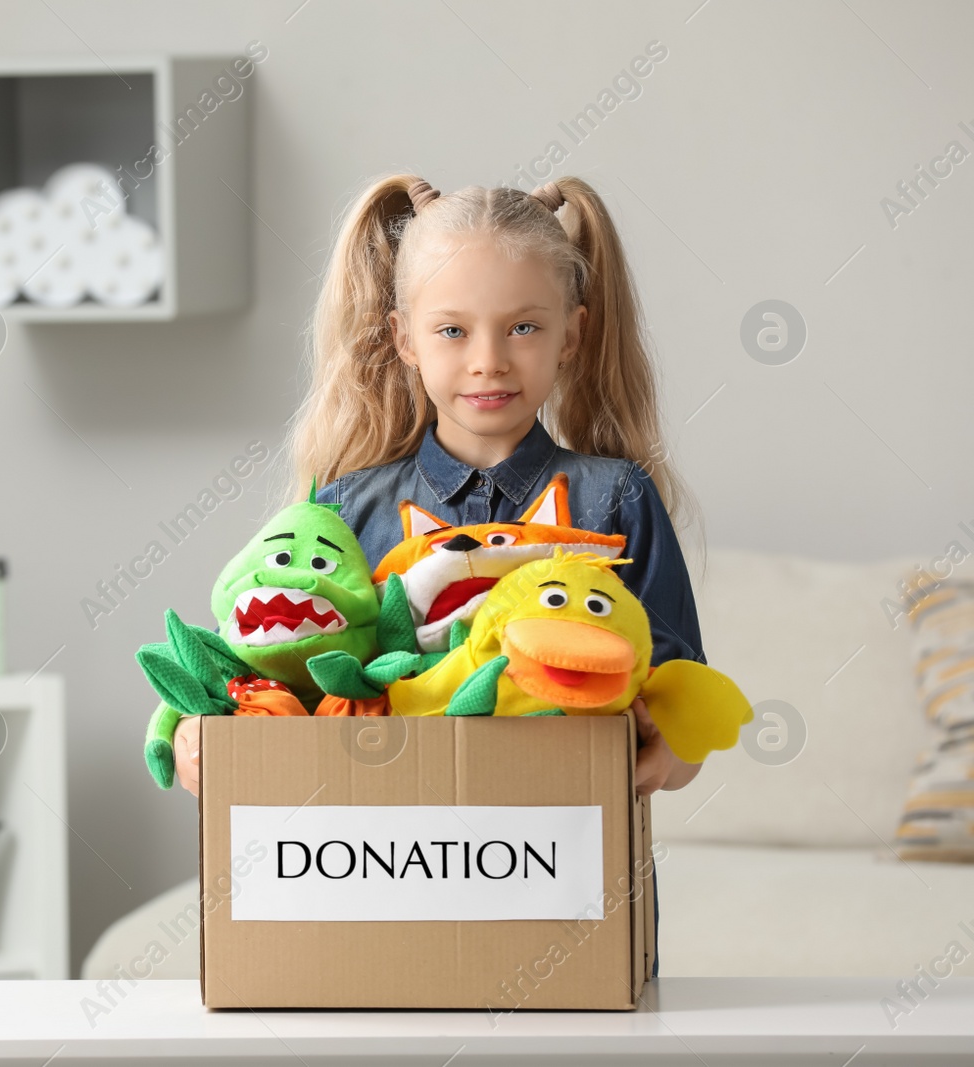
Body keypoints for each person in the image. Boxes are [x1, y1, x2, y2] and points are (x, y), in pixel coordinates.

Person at [170, 174, 707, 978]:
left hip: (562, 876)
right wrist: (194, 733)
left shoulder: (615, 496)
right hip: (384, 868)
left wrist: (674, 748)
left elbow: (681, 683)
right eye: (452, 329)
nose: (488, 361)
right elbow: (261, 663)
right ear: (403, 337)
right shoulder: (346, 506)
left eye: (523, 326)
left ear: (572, 333)